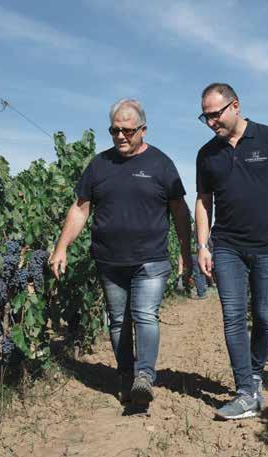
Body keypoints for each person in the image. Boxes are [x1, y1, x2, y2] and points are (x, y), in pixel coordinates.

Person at [49, 99, 192, 407]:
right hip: (109, 260)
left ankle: (144, 377)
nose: (121, 136)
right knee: (117, 321)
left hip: (151, 259)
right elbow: (80, 209)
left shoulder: (161, 164)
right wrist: (61, 247)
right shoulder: (99, 165)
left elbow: (180, 211)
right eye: (115, 130)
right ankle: (126, 376)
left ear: (143, 129)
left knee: (145, 315)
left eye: (128, 130)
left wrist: (185, 250)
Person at [195, 83, 268, 420]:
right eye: (205, 117)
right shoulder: (206, 154)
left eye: (215, 114)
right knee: (233, 316)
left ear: (235, 106)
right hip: (226, 246)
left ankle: (255, 372)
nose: (211, 122)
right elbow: (203, 202)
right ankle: (246, 391)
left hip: (267, 246)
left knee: (264, 316)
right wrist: (202, 245)